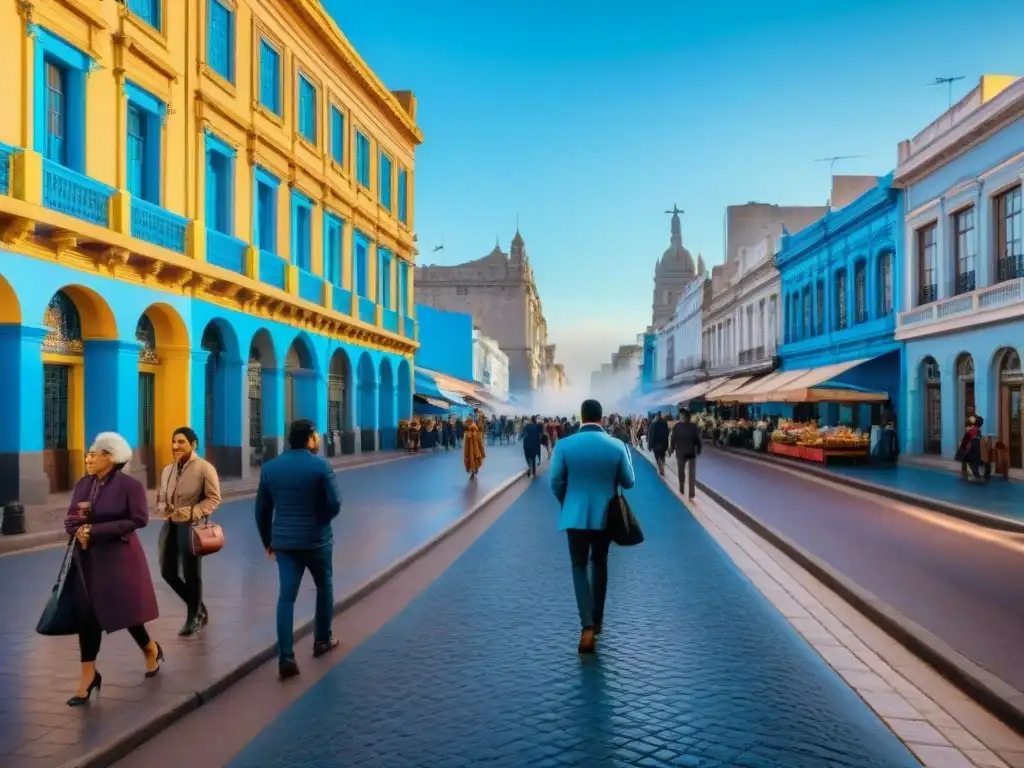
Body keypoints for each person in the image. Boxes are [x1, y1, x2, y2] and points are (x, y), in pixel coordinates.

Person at [62, 432, 163, 705]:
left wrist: (95, 530)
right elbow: (71, 516)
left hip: (119, 558)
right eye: (88, 454)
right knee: (88, 615)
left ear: (110, 457)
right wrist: (78, 530)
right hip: (88, 559)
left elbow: (139, 519)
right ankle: (88, 676)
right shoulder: (84, 484)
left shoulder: (130, 486)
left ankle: (150, 649)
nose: (88, 458)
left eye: (94, 454)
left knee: (126, 614)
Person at [255, 419, 342, 679]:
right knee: (324, 586)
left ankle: (286, 658)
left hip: (285, 544)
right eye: (316, 435)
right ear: (310, 438)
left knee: (286, 597)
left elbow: (261, 511)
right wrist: (320, 520)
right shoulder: (320, 466)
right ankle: (322, 640)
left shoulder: (270, 468)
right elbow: (335, 504)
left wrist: (268, 541)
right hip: (317, 541)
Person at [549, 399, 635, 654]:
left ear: (581, 416)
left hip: (574, 516)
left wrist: (568, 501)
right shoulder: (616, 445)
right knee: (600, 564)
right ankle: (597, 620)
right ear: (602, 418)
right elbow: (629, 482)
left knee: (578, 567)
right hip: (605, 516)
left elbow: (555, 482)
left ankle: (586, 626)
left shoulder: (564, 445)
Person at [156, 426, 222, 637]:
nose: (175, 446)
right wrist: (162, 506)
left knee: (191, 573)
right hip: (170, 524)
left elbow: (214, 498)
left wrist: (194, 512)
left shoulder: (204, 468)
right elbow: (163, 495)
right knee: (167, 572)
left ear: (193, 445)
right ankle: (199, 607)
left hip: (191, 526)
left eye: (181, 442)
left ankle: (193, 616)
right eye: (174, 442)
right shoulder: (168, 469)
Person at [669, 409, 702, 499]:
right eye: (681, 415)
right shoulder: (677, 427)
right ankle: (682, 487)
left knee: (690, 473)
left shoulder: (690, 427)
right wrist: (671, 449)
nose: (682, 417)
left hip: (687, 452)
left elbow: (697, 439)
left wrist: (699, 448)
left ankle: (691, 492)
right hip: (682, 453)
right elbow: (673, 439)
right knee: (682, 472)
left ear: (687, 416)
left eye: (683, 415)